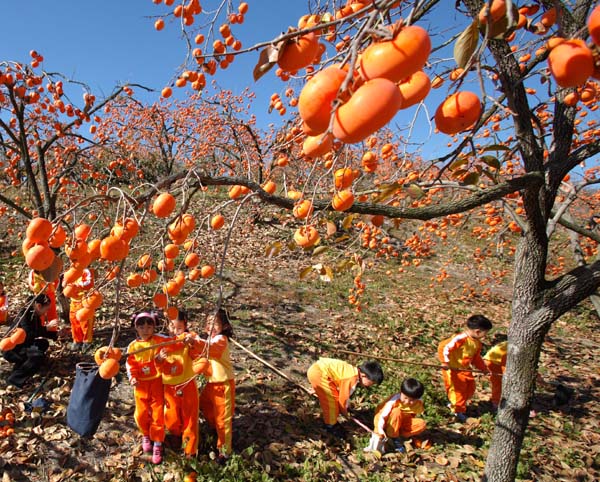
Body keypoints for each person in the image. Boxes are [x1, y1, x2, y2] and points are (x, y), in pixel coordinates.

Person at [155, 310, 202, 458]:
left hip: (187, 384)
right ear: (167, 325)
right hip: (170, 387)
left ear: (185, 325)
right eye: (172, 327)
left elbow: (198, 352)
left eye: (179, 328)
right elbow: (157, 366)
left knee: (190, 417)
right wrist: (159, 359)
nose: (175, 331)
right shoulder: (162, 343)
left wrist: (192, 344)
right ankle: (176, 435)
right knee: (172, 417)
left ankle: (190, 449)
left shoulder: (190, 338)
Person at [193, 308, 236, 464]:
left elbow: (211, 350)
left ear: (223, 326)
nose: (211, 326)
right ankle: (215, 430)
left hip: (223, 385)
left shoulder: (221, 339)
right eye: (208, 323)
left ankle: (225, 451)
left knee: (223, 419)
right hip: (211, 385)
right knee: (204, 405)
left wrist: (194, 341)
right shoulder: (208, 341)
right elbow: (200, 353)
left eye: (215, 323)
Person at [126, 311, 167, 464]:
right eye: (141, 327)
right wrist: (133, 377)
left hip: (156, 382)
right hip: (141, 385)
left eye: (149, 326)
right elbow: (131, 364)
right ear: (136, 328)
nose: (146, 330)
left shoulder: (159, 340)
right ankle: (145, 433)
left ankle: (157, 442)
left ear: (154, 327)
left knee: (157, 412)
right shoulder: (133, 346)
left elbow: (173, 341)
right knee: (142, 412)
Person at [307, 357, 384, 438]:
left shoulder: (352, 371)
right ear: (363, 375)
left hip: (318, 370)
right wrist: (344, 412)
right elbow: (343, 399)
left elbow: (340, 389)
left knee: (333, 397)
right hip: (319, 374)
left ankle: (319, 390)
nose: (371, 385)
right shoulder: (352, 379)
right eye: (372, 383)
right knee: (332, 404)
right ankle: (330, 425)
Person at [1, 294, 67, 387]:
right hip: (12, 350)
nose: (46, 312)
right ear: (39, 306)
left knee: (43, 343)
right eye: (46, 309)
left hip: (24, 344)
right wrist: (47, 328)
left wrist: (56, 334)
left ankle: (26, 363)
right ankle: (15, 379)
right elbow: (29, 333)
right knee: (37, 356)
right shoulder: (24, 315)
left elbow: (39, 331)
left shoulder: (34, 314)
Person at [438, 314, 492, 422]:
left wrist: (483, 369)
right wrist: (445, 362)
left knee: (470, 388)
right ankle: (457, 411)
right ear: (477, 331)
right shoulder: (460, 339)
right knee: (458, 391)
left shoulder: (477, 343)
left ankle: (455, 403)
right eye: (485, 333)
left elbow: (476, 358)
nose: (485, 336)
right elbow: (444, 347)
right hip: (453, 370)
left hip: (465, 370)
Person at [365, 378, 426, 454]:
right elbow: (380, 416)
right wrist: (379, 431)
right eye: (405, 398)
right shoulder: (393, 401)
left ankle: (400, 436)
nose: (407, 402)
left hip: (400, 423)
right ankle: (393, 437)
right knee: (397, 412)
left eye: (411, 400)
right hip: (388, 423)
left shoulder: (418, 403)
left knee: (421, 424)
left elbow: (412, 416)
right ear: (400, 392)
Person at [68, 268, 94, 351]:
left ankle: (87, 342)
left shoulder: (86, 271)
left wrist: (78, 285)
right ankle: (77, 340)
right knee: (74, 321)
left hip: (84, 301)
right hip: (73, 301)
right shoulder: (71, 271)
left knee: (85, 322)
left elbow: (89, 283)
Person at [483, 334, 508, 410]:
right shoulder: (514, 348)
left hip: (500, 361)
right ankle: (496, 403)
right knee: (498, 382)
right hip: (492, 362)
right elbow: (506, 363)